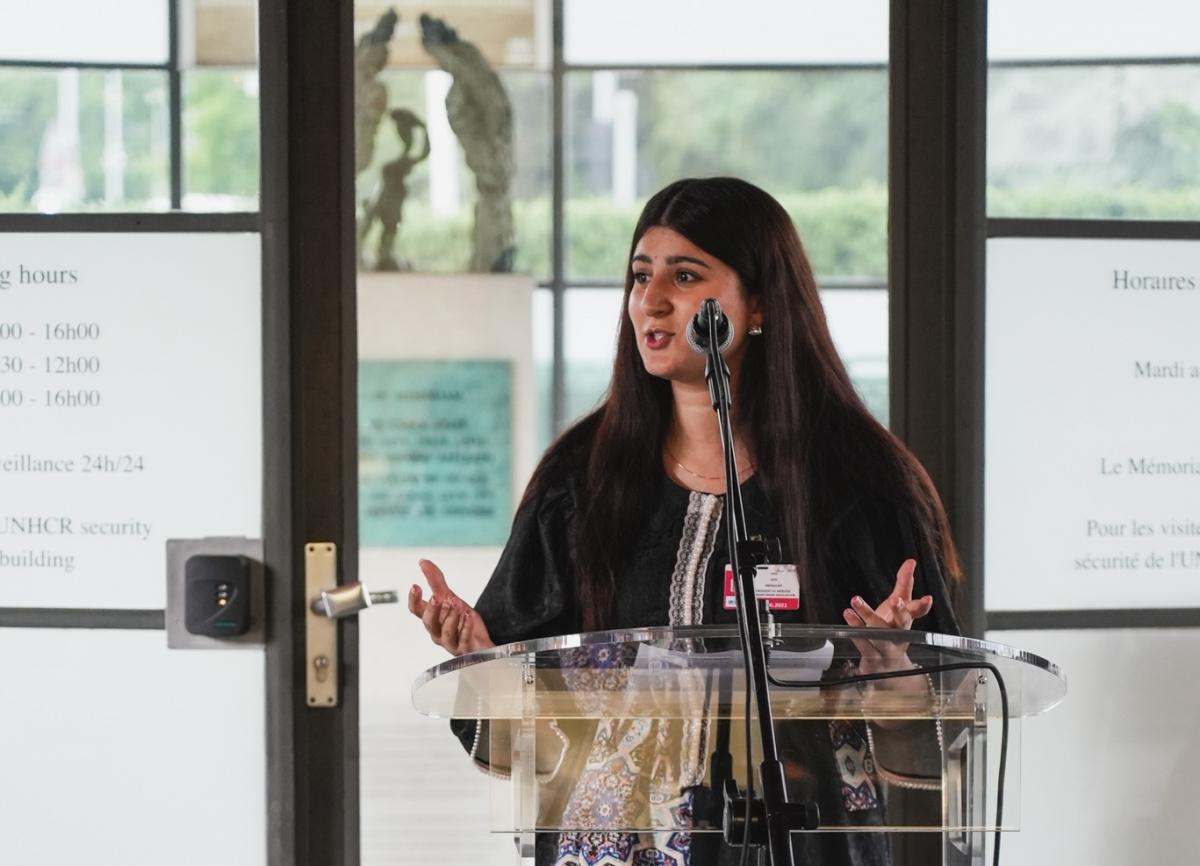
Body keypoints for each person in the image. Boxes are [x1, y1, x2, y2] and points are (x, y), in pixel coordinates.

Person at [407, 177, 961, 866]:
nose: (653, 299)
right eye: (641, 276)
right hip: (614, 842)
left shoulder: (860, 480)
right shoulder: (580, 478)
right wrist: (483, 658)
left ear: (758, 302)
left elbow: (945, 722)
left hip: (799, 840)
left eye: (686, 274)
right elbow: (528, 737)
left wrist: (898, 674)